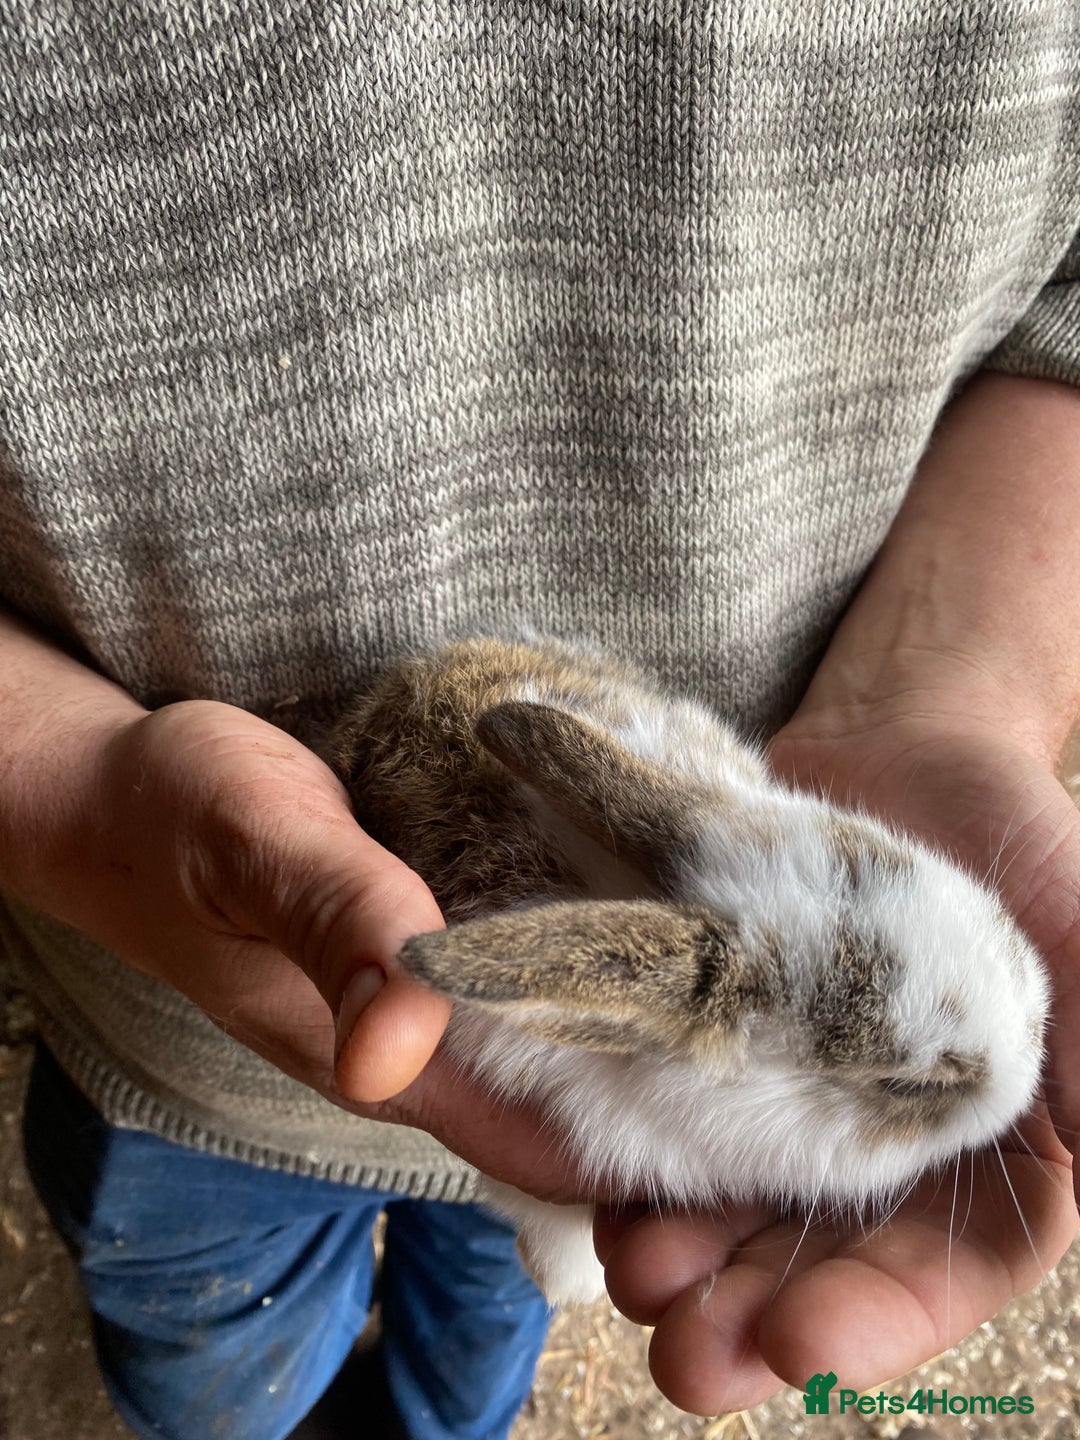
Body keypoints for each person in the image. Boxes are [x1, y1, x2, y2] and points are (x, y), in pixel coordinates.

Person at [1, 2, 1078, 1435]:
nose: (992, 1094)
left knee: (502, 1307)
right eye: (920, 1080)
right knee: (216, 1359)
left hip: (516, 994)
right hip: (178, 1029)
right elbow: (513, 970)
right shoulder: (660, 1030)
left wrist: (964, 678)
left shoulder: (700, 879)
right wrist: (68, 785)